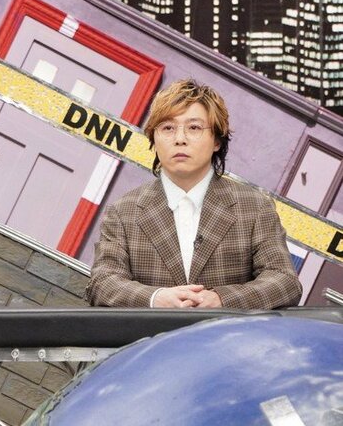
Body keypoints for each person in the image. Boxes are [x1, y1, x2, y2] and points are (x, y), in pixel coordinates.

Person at [86, 79, 302, 309]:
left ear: (217, 140)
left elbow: (284, 280)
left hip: (226, 331)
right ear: (153, 139)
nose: (180, 139)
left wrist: (221, 299)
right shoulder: (123, 211)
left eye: (194, 128)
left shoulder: (255, 207)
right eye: (167, 128)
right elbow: (102, 283)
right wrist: (155, 298)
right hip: (152, 332)